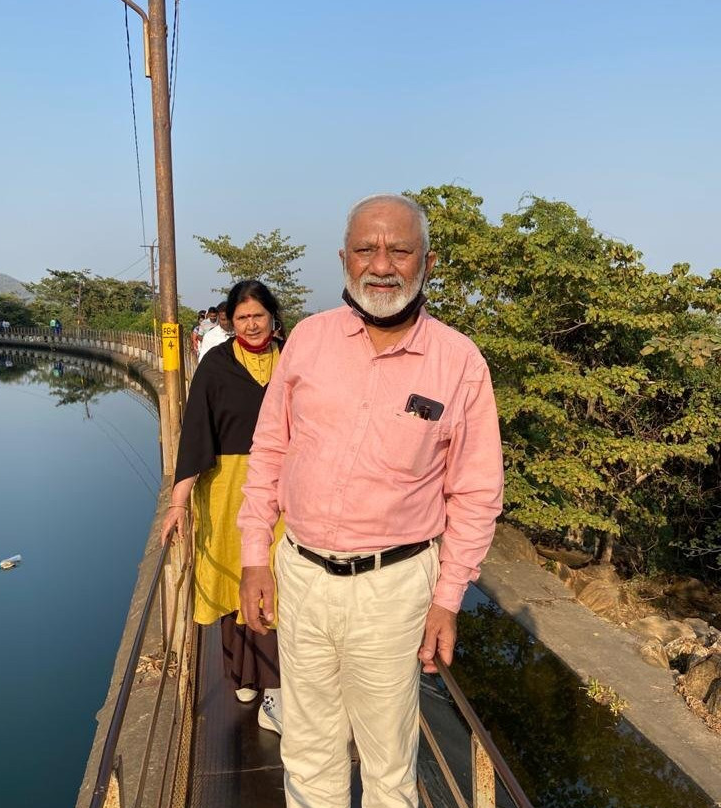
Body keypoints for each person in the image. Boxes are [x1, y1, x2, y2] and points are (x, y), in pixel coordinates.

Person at [239, 194, 504, 807]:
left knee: (388, 762)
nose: (381, 264)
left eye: (399, 249)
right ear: (344, 258)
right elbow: (269, 451)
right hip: (300, 575)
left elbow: (475, 491)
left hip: (394, 588)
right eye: (366, 248)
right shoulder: (307, 341)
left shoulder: (459, 362)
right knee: (307, 747)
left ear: (426, 263)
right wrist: (256, 554)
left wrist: (449, 599)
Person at [161, 280, 287, 733]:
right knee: (235, 582)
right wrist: (178, 502)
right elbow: (195, 434)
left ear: (273, 316)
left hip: (282, 490)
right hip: (226, 489)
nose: (252, 325)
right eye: (242, 318)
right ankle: (242, 674)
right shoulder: (216, 365)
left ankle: (275, 692)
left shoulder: (291, 359)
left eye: (258, 315)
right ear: (229, 323)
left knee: (274, 583)